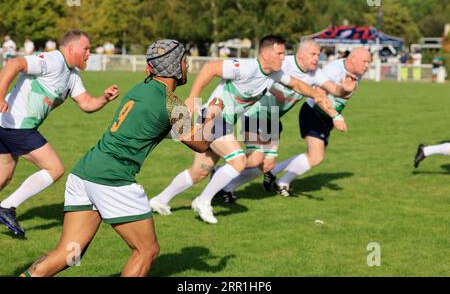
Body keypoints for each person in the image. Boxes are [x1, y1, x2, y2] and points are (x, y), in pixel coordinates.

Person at [20, 39, 222, 277]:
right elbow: (200, 144)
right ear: (176, 67)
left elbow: (152, 125)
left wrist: (186, 117)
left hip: (85, 172)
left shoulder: (139, 89)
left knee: (69, 252)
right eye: (185, 62)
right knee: (146, 251)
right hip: (113, 178)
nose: (188, 67)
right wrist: (213, 115)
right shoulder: (171, 103)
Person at [149, 35, 341, 224]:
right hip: (213, 117)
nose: (284, 58)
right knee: (238, 159)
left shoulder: (275, 74)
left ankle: (160, 200)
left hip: (225, 123)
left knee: (200, 171)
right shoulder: (246, 67)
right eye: (280, 53)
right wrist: (193, 96)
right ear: (266, 54)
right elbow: (210, 68)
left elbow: (298, 85)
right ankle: (203, 201)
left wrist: (316, 94)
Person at [0, 30, 119, 236]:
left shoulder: (72, 75)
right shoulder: (53, 60)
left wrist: (104, 98)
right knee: (55, 168)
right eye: (86, 49)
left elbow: (86, 103)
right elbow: (14, 64)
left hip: (5, 123)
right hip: (17, 125)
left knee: (3, 177)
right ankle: (6, 207)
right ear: (71, 48)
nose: (89, 53)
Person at [216, 40, 357, 201]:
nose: (317, 58)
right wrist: (274, 89)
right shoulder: (284, 63)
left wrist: (344, 90)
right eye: (313, 54)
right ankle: (222, 172)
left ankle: (227, 186)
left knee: (267, 165)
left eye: (318, 54)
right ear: (300, 54)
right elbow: (261, 73)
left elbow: (332, 90)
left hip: (274, 117)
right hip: (255, 112)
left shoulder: (315, 74)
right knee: (255, 159)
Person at [260, 47, 372, 196]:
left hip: (325, 117)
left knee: (313, 156)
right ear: (352, 59)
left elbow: (342, 95)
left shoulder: (357, 74)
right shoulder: (334, 69)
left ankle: (277, 177)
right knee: (316, 156)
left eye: (369, 62)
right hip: (314, 113)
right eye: (365, 61)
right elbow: (318, 95)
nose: (367, 66)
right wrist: (335, 116)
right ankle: (279, 179)